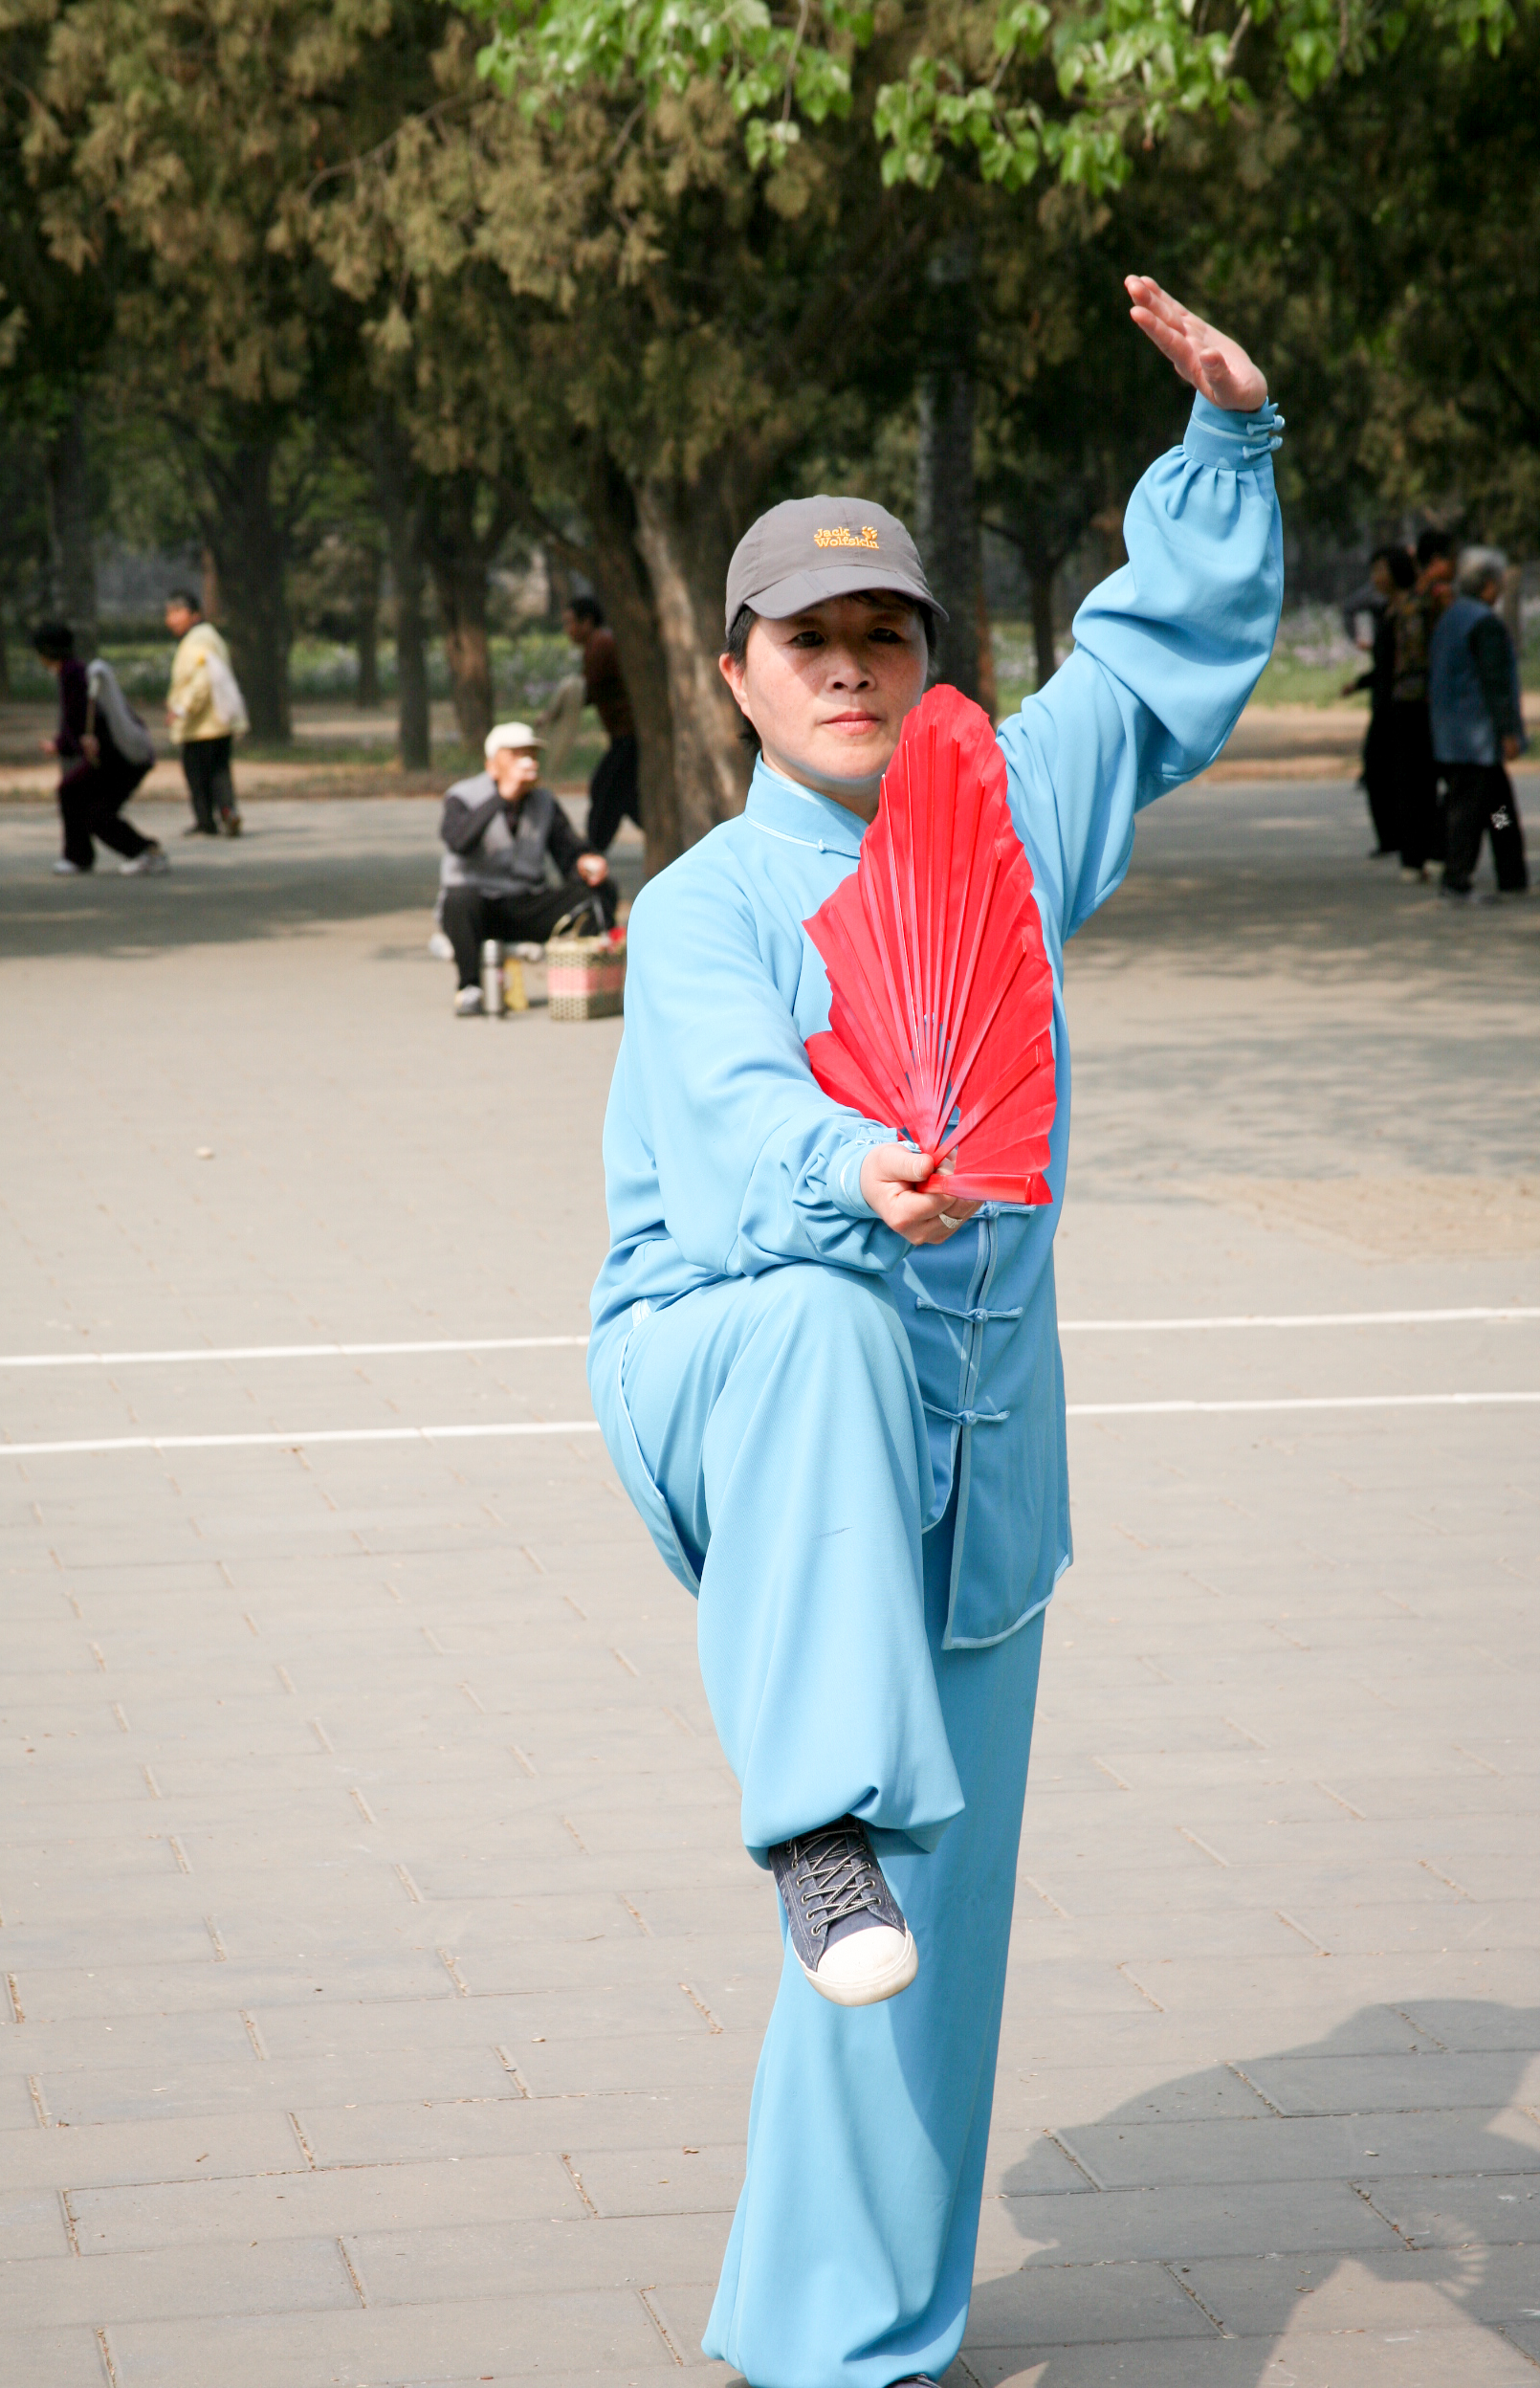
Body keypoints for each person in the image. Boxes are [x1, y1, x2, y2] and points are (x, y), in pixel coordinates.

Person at [586, 277, 1282, 2388]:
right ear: (736, 676)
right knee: (810, 1317)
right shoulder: (705, 903)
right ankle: (809, 1817)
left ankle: (845, 2337)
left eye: (886, 635)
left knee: (920, 1946)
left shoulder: (993, 829)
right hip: (740, 1369)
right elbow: (725, 1117)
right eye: (810, 641)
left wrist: (1230, 449)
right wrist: (846, 1168)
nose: (853, 671)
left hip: (973, 1469)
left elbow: (1141, 673)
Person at [439, 720, 616, 1015]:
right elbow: (458, 841)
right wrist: (501, 797)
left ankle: (585, 982)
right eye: (517, 755)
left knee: (596, 895)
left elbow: (567, 852)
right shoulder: (462, 796)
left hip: (525, 902)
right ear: (493, 764)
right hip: (477, 906)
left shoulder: (543, 802)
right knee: (459, 899)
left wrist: (585, 862)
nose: (528, 762)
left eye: (532, 755)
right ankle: (469, 988)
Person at [1430, 544, 1529, 899]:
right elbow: (1495, 683)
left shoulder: (1452, 616)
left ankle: (1512, 875)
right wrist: (1507, 732)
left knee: (1499, 807)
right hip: (1475, 737)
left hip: (1453, 733)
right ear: (1488, 583)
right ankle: (1456, 879)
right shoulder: (1483, 623)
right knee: (1467, 812)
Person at [34, 623, 167, 877]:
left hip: (120, 758)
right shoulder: (77, 670)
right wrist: (64, 744)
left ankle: (146, 852)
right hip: (114, 755)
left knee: (96, 812)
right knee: (71, 790)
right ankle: (78, 857)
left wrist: (62, 745)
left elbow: (78, 719)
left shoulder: (72, 674)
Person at [1340, 544, 1416, 855]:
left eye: (1380, 570)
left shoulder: (1416, 613)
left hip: (1414, 708)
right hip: (1391, 704)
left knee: (1484, 793)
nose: (1375, 578)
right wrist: (1360, 683)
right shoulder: (1390, 612)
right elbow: (1387, 667)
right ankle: (1405, 847)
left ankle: (1506, 863)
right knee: (1382, 772)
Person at [1390, 529, 1454, 879]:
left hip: (1405, 699)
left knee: (1413, 783)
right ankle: (1443, 851)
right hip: (1435, 700)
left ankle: (1413, 858)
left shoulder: (1407, 598)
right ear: (1438, 560)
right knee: (1470, 785)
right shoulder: (1442, 597)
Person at [165, 588, 246, 837]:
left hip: (202, 724)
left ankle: (205, 821)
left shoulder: (198, 639)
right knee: (219, 771)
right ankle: (227, 812)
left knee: (198, 774)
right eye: (169, 613)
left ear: (195, 614)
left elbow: (202, 680)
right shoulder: (206, 636)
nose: (171, 619)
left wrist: (182, 709)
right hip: (217, 721)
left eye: (178, 612)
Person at [563, 594, 640, 851]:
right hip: (622, 735)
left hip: (629, 737)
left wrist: (559, 708)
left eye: (571, 623)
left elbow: (587, 690)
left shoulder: (601, 645)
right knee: (625, 794)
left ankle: (592, 851)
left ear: (587, 622)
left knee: (605, 789)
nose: (568, 631)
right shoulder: (595, 645)